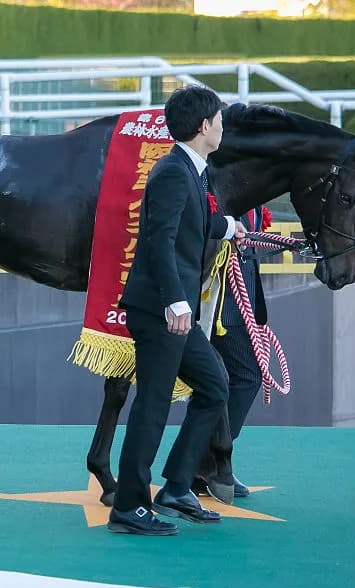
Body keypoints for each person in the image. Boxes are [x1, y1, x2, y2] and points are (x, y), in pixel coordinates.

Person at [107, 85, 247, 536]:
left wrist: (228, 227)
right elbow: (159, 240)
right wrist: (176, 301)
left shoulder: (190, 171)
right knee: (152, 403)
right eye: (220, 120)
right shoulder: (172, 172)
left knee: (214, 384)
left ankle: (176, 488)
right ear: (205, 127)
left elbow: (196, 222)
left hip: (172, 309)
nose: (223, 126)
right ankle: (129, 505)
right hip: (162, 310)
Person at [193, 206, 268, 505]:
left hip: (241, 293)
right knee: (245, 375)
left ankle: (205, 462)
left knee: (224, 381)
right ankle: (207, 461)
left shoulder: (256, 192)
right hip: (220, 300)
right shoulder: (217, 182)